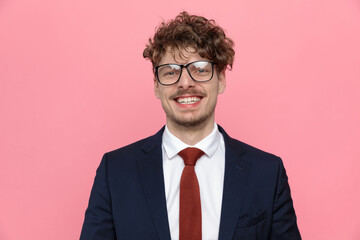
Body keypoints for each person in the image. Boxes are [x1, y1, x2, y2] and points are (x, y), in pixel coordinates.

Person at [80, 11, 301, 240]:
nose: (185, 83)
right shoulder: (115, 171)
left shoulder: (267, 173)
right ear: (156, 85)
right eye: (171, 72)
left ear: (221, 79)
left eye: (200, 69)